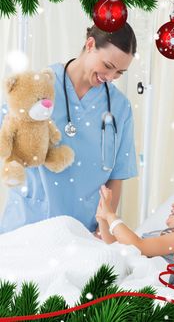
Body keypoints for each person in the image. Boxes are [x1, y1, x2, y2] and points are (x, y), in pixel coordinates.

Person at [0, 23, 137, 235]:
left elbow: (117, 175)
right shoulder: (37, 86)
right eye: (108, 66)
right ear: (90, 44)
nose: (110, 77)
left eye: (119, 72)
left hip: (82, 232)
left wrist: (104, 227)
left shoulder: (120, 107)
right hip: (27, 223)